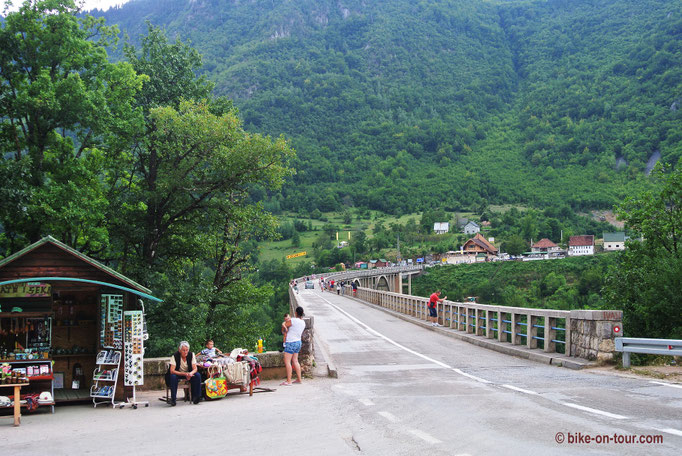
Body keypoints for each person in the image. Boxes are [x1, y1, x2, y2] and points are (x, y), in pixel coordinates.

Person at [168, 341, 202, 405]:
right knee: (173, 377)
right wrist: (184, 374)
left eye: (187, 350)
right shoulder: (175, 356)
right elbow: (172, 370)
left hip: (188, 372)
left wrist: (190, 373)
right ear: (179, 350)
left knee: (197, 375)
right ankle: (173, 399)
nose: (185, 352)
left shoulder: (191, 355)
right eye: (183, 350)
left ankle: (196, 397)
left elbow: (195, 368)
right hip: (178, 373)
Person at [280, 306, 305, 386]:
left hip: (291, 342)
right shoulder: (303, 322)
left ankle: (289, 381)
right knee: (295, 361)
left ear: (296, 313)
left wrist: (283, 324)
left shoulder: (293, 320)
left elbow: (285, 326)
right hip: (298, 342)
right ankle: (299, 379)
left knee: (287, 361)